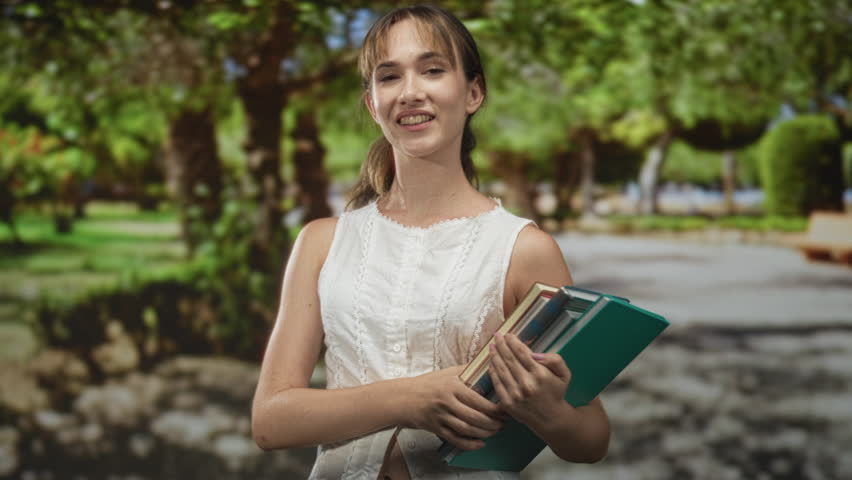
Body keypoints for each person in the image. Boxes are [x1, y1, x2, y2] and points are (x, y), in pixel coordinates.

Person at [251, 5, 610, 479]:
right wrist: (411, 397)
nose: (411, 92)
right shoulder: (322, 243)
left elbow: (593, 438)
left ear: (473, 92)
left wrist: (549, 412)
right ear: (371, 104)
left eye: (433, 70)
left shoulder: (523, 249)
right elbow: (270, 420)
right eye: (389, 77)